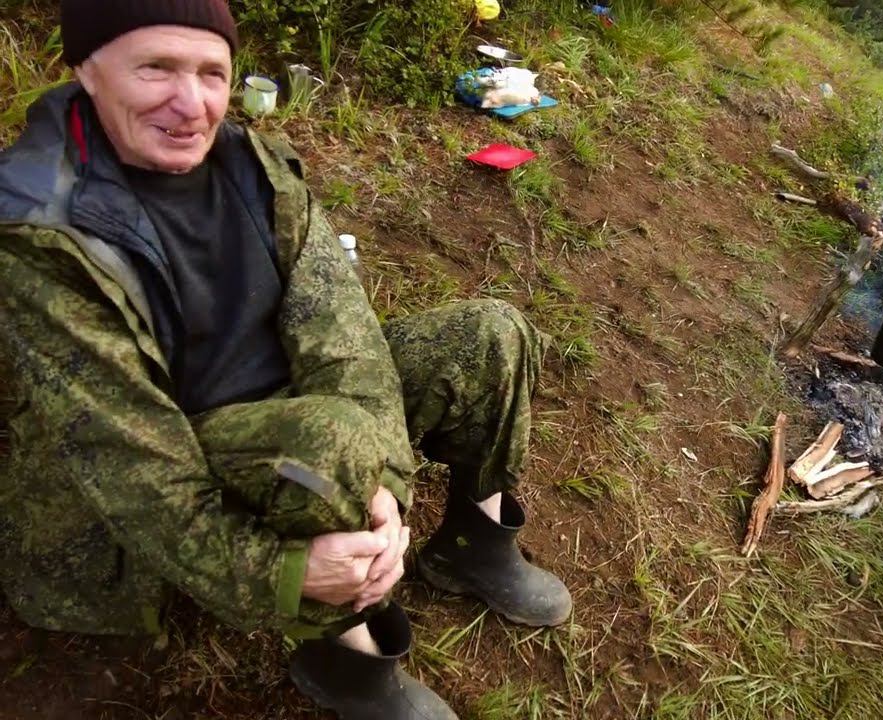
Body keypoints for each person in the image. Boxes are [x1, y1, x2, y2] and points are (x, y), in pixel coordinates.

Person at [0, 2, 572, 718]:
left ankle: (472, 544)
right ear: (86, 68)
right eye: (156, 69)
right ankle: (350, 656)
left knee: (491, 334)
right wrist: (291, 571)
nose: (191, 102)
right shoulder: (38, 230)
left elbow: (346, 344)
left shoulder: (252, 165)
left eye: (213, 72)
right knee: (325, 444)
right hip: (165, 469)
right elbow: (135, 469)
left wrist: (387, 492)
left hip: (294, 422)